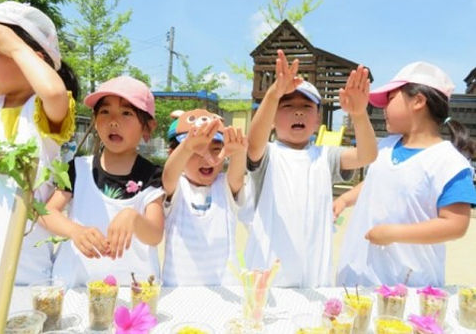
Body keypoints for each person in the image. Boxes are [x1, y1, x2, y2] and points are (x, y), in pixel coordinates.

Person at [0, 1, 79, 284]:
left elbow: (54, 93)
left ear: (35, 59)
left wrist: (15, 46)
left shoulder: (44, 110)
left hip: (27, 262)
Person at [335, 61, 476, 287]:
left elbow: (455, 224)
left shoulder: (449, 162)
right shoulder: (386, 146)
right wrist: (344, 199)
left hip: (409, 283)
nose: (384, 108)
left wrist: (394, 233)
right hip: (359, 275)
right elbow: (374, 183)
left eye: (390, 99)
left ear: (418, 101)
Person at [245, 50, 378, 287]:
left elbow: (367, 155)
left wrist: (358, 115)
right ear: (272, 118)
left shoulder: (325, 156)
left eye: (306, 106)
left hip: (315, 281)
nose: (298, 111)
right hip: (268, 282)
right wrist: (274, 94)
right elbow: (253, 143)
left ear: (318, 119)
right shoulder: (267, 155)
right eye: (286, 105)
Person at [42, 76, 165, 287]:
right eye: (105, 112)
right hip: (75, 285)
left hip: (131, 289)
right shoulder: (78, 168)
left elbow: (154, 234)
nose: (113, 121)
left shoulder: (152, 175)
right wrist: (75, 231)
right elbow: (46, 213)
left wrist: (134, 217)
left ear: (147, 127)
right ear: (95, 120)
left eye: (127, 113)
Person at [161, 109, 247, 286]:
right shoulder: (177, 187)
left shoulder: (224, 186)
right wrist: (186, 147)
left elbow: (237, 177)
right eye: (196, 151)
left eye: (216, 149)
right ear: (174, 153)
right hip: (179, 290)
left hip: (226, 288)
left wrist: (238, 152)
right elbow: (168, 175)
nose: (207, 158)